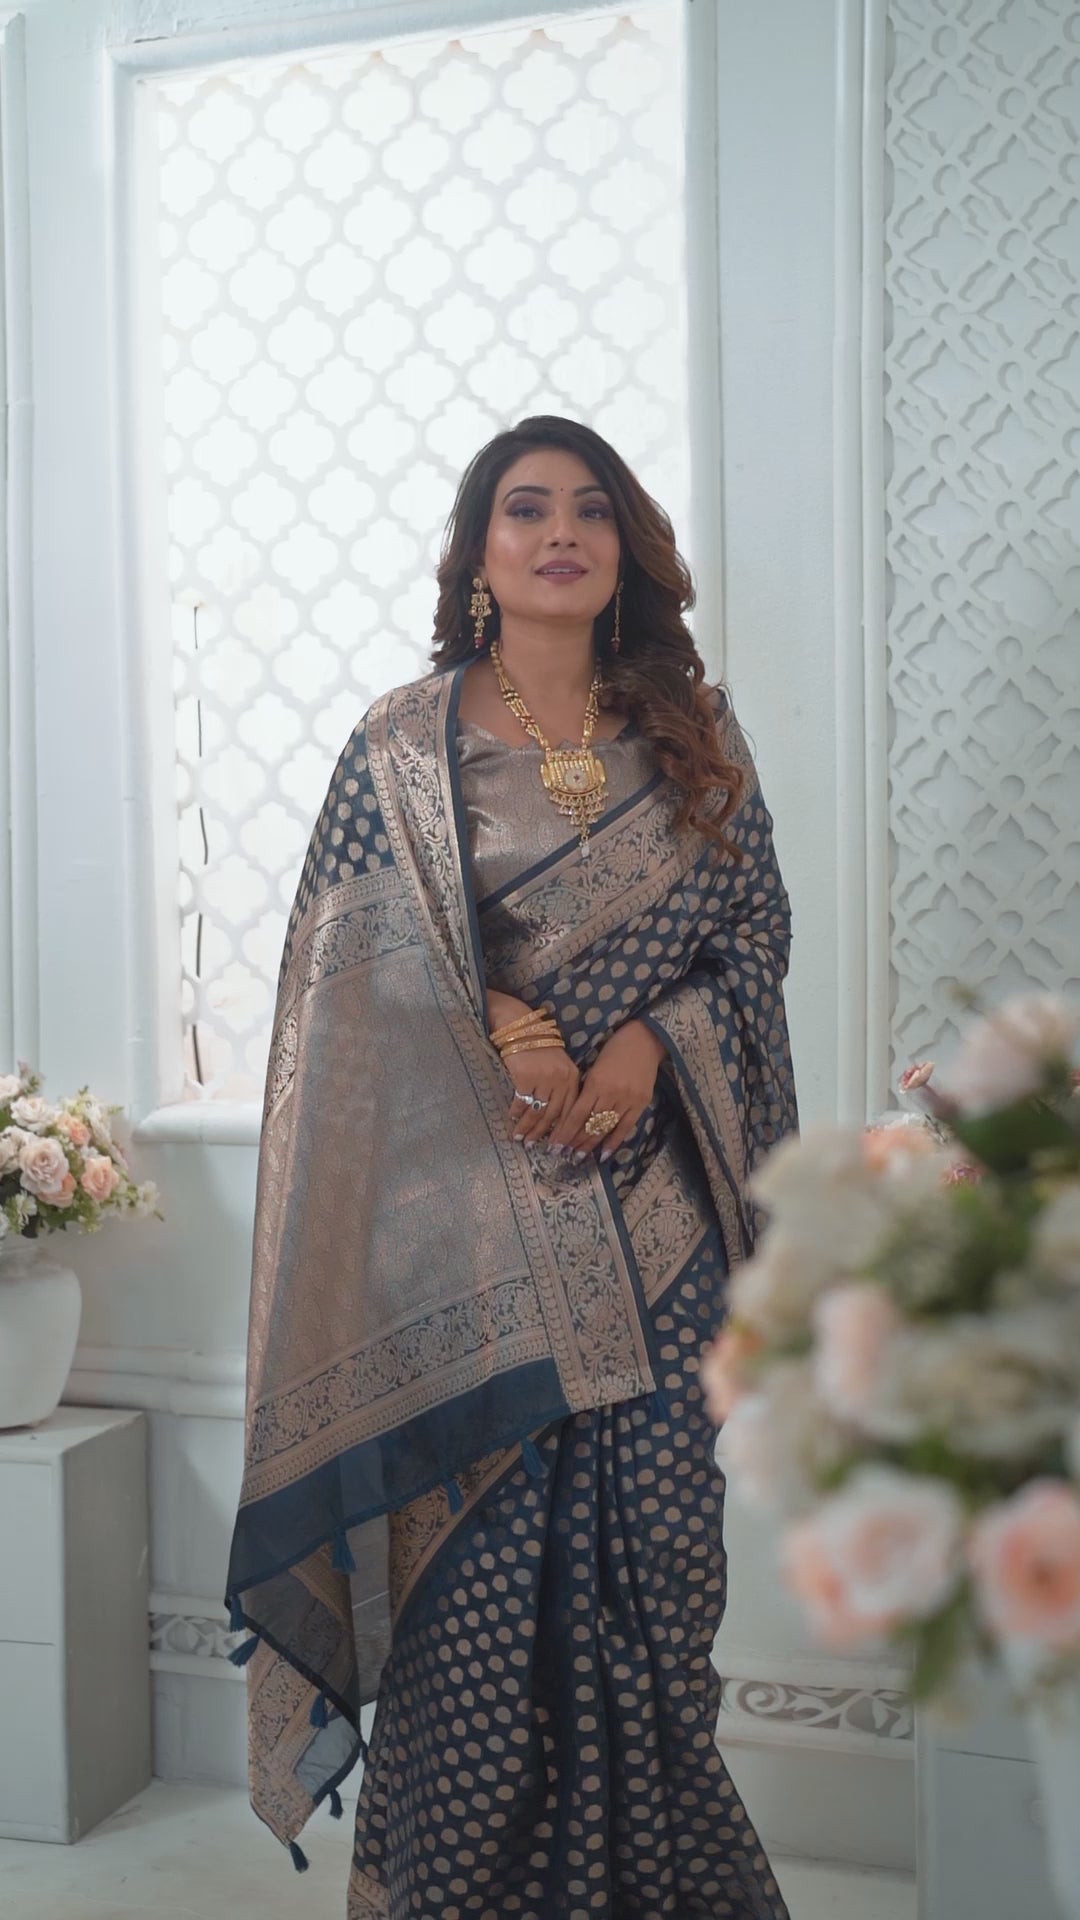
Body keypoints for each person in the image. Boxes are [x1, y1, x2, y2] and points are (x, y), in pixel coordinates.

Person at [225, 414, 799, 1919]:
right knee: (473, 1607)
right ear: (478, 552)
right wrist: (501, 1019)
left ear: (627, 550)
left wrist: (651, 1044)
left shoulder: (694, 731)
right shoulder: (401, 747)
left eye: (592, 510)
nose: (562, 534)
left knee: (660, 1581)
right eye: (526, 509)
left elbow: (756, 939)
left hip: (663, 1234)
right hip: (465, 1252)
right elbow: (340, 986)